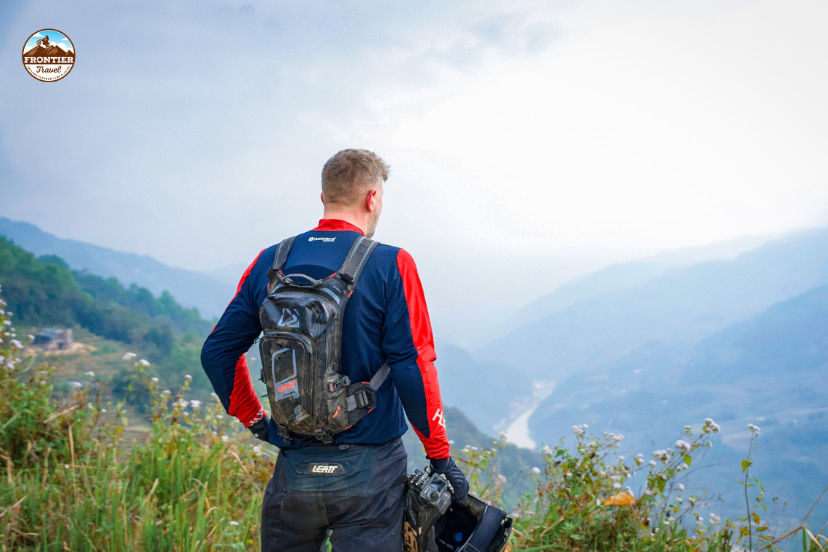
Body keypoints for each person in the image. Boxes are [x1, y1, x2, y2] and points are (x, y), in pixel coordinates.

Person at [201, 148, 468, 552]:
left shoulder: (271, 261)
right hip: (371, 475)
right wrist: (440, 456)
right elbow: (414, 366)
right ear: (373, 198)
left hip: (294, 471)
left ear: (324, 196)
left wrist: (258, 423)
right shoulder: (391, 263)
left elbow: (217, 352)